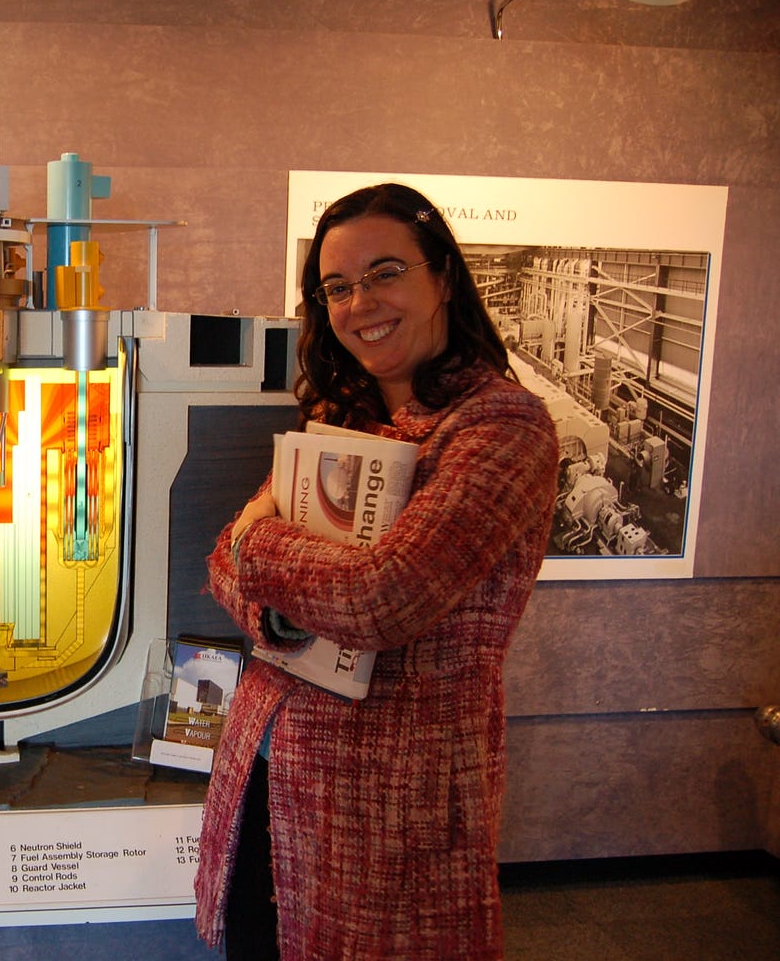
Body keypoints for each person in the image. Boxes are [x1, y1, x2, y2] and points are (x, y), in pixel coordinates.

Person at [194, 182, 560, 959]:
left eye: (385, 272)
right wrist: (283, 611)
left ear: (443, 278)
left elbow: (381, 597)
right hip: (268, 763)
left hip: (391, 796)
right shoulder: (343, 418)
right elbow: (219, 569)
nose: (361, 302)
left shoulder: (499, 428)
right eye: (337, 288)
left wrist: (259, 550)